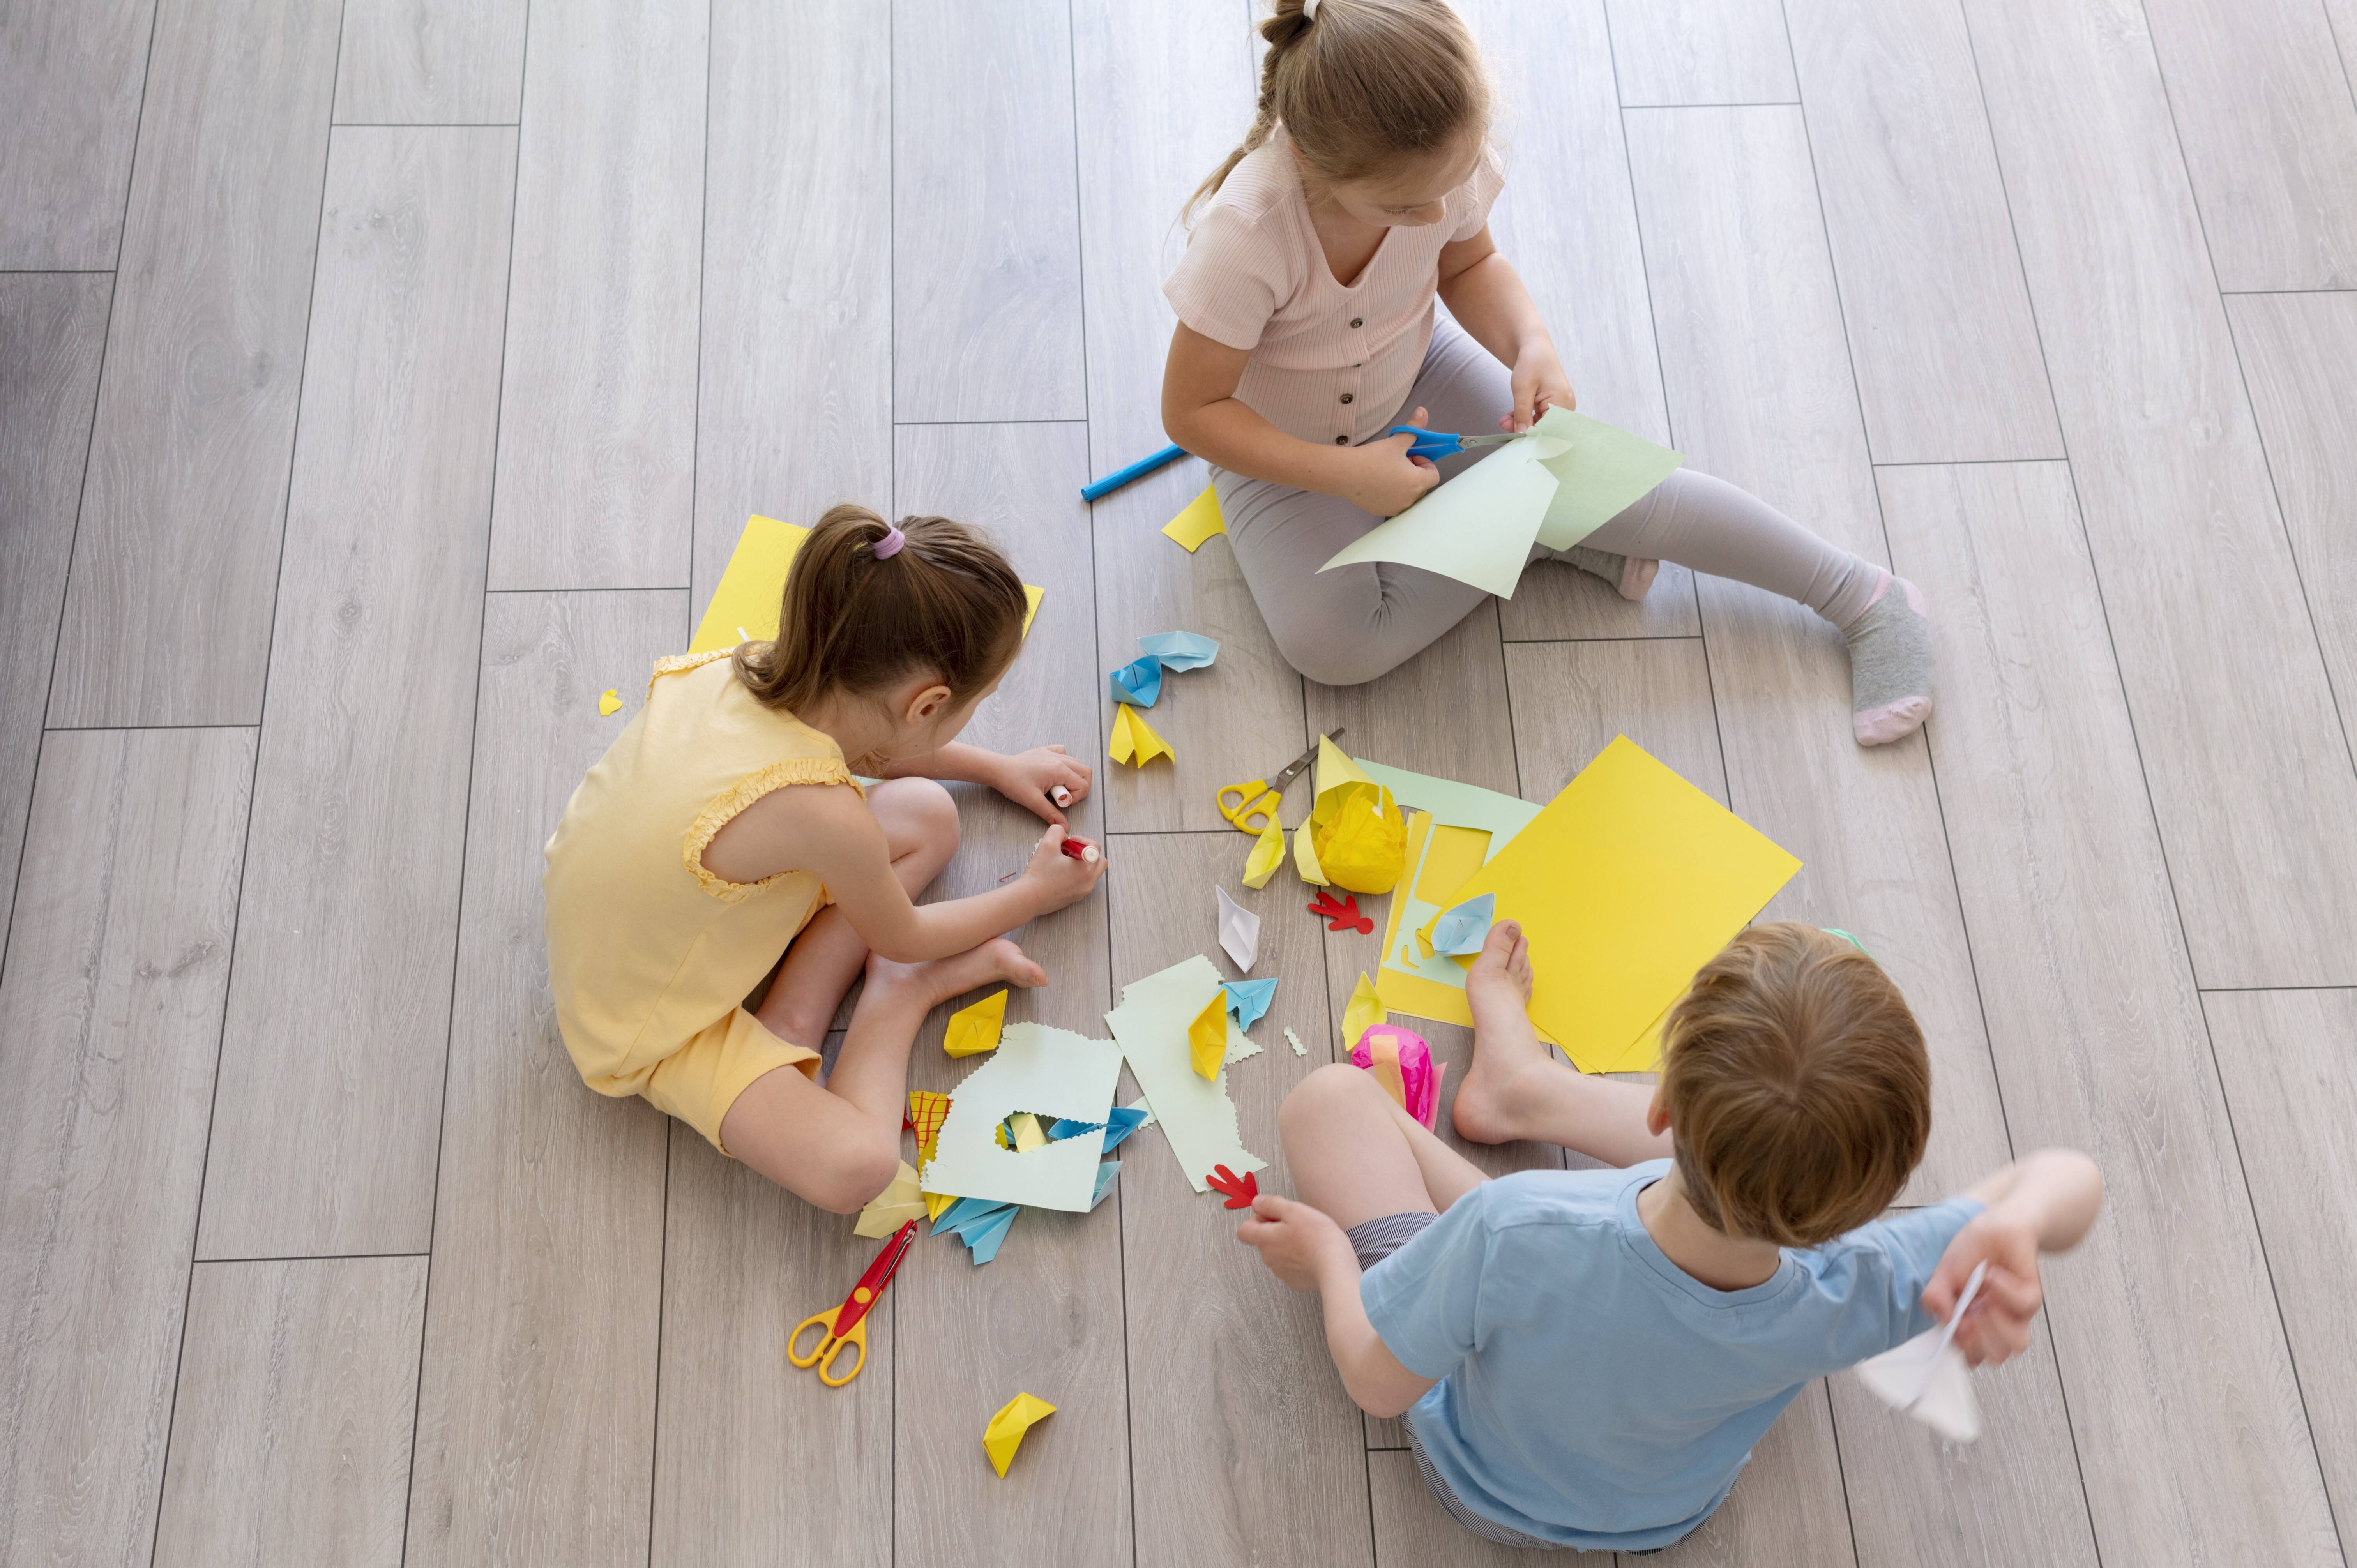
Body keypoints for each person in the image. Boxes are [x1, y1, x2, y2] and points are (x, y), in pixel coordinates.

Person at [1160, 0, 1933, 744]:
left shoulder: (1436, 169)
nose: (1434, 217)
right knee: (1334, 647)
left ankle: (1862, 594)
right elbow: (1193, 413)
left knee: (1606, 478)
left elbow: (1472, 262)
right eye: (1406, 207)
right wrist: (1344, 474)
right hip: (1279, 459)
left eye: (1444, 192)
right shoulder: (1248, 236)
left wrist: (1533, 345)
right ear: (1308, 158)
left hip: (1417, 376)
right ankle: (1536, 534)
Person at [1239, 921, 2103, 1551]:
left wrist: (1325, 1258)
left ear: (1656, 1102)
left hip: (1479, 1476)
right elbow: (2071, 1175)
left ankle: (1527, 1088)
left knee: (1329, 1104)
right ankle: (1522, 1087)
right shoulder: (1866, 1274)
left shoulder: (1517, 1225)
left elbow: (1377, 1382)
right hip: (1660, 1513)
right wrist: (2015, 1223)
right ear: (1876, 1195)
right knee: (1561, 1222)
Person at [542, 505, 1106, 1213]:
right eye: (976, 706)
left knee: (927, 812)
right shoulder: (823, 815)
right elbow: (904, 933)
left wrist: (994, 767)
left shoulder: (752, 665)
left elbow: (881, 744)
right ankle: (899, 996)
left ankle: (791, 1019)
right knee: (860, 1168)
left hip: (619, 914)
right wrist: (1032, 892)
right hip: (639, 1020)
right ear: (928, 704)